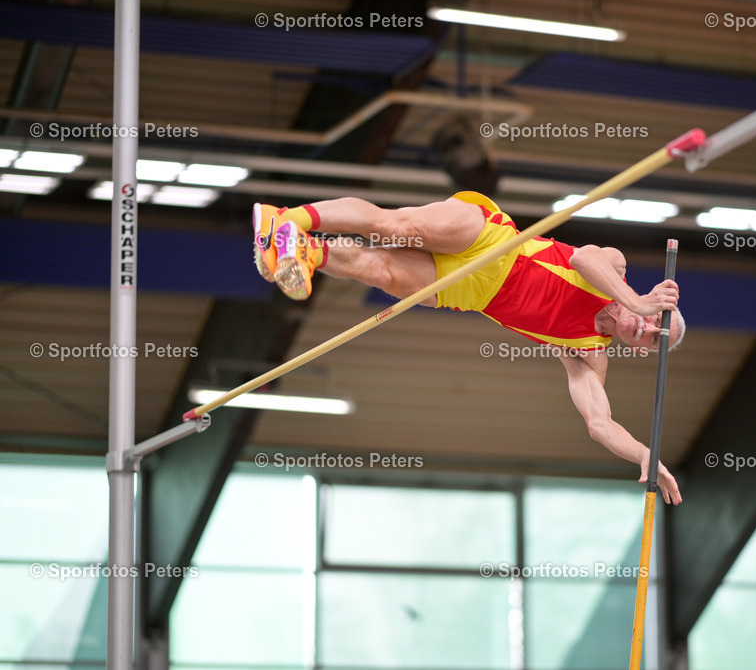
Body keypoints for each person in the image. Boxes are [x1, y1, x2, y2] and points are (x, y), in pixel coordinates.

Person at [252, 191, 684, 504]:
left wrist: (644, 454)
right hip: (492, 241)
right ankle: (287, 218)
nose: (646, 324)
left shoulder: (589, 352)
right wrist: (636, 301)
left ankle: (304, 251)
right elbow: (580, 260)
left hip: (472, 294)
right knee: (396, 226)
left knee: (380, 270)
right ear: (653, 297)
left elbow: (599, 423)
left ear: (642, 349)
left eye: (651, 335)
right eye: (655, 317)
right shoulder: (616, 267)